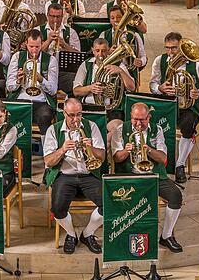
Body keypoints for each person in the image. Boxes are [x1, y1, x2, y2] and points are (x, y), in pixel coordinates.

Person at [111, 102, 184, 252]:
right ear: (130, 117)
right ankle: (125, 236)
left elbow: (163, 158)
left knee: (176, 195)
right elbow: (117, 158)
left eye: (142, 120)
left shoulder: (156, 129)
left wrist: (149, 150)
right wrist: (126, 151)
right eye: (135, 119)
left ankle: (166, 236)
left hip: (153, 175)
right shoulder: (120, 130)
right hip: (129, 176)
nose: (138, 124)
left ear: (149, 117)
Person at [43, 98, 105, 254]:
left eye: (79, 114)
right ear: (64, 113)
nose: (76, 119)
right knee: (57, 209)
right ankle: (71, 235)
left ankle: (87, 233)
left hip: (88, 174)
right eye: (71, 115)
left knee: (109, 203)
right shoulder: (53, 130)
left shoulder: (91, 126)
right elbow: (48, 162)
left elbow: (102, 156)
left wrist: (91, 148)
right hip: (65, 175)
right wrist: (62, 149)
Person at [150, 32, 199, 183]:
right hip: (169, 104)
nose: (170, 52)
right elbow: (152, 84)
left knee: (187, 125)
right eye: (167, 48)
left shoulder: (197, 64)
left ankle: (180, 164)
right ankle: (158, 161)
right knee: (150, 121)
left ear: (181, 46)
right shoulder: (160, 60)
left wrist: (198, 92)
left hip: (190, 107)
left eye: (174, 48)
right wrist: (160, 88)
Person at [73, 38, 135, 142]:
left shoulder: (119, 65)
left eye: (104, 50)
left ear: (109, 50)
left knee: (118, 129)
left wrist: (120, 72)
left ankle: (101, 149)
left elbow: (132, 87)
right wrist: (90, 88)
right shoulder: (86, 65)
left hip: (111, 110)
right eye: (97, 51)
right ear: (93, 50)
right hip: (89, 108)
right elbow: (76, 91)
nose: (101, 54)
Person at [6, 29, 58, 136]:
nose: (34, 50)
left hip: (41, 101)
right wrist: (18, 81)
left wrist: (41, 79)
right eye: (31, 46)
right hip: (21, 99)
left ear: (42, 44)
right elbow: (9, 87)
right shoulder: (17, 57)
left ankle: (46, 149)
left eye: (37, 47)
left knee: (45, 117)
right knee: (9, 117)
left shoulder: (51, 60)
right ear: (26, 44)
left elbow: (53, 90)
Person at [38, 2, 81, 94]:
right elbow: (33, 53)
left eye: (58, 17)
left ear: (62, 17)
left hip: (63, 72)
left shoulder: (71, 32)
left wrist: (64, 44)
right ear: (47, 16)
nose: (55, 20)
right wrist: (48, 41)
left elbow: (78, 55)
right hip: (43, 70)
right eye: (52, 16)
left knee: (73, 79)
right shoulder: (38, 30)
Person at [99, 6, 147, 83]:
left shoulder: (134, 35)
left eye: (118, 17)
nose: (115, 20)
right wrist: (108, 52)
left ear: (124, 17)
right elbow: (98, 56)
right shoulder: (103, 35)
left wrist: (141, 62)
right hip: (109, 73)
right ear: (110, 20)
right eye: (112, 18)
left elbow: (143, 56)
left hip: (129, 73)